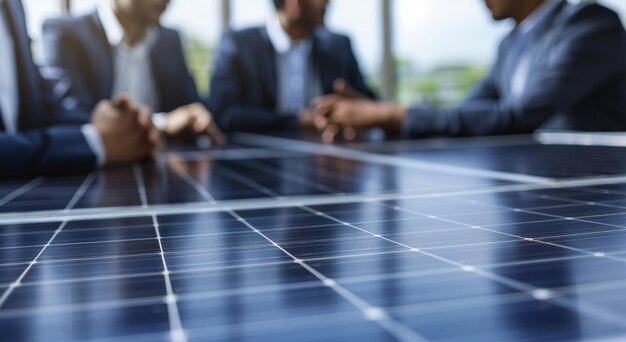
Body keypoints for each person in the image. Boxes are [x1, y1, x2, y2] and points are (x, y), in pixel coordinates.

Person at [314, 0, 626, 142]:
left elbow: (520, 115)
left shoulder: (591, 25)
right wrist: (374, 116)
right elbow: (466, 111)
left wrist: (389, 114)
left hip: (591, 187)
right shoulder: (509, 45)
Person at [0, 0, 158, 179]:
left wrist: (121, 123)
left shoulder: (12, 5)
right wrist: (92, 142)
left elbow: (36, 107)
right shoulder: (66, 31)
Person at [41, 0, 224, 143]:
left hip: (167, 169)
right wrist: (160, 125)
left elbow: (190, 106)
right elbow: (71, 116)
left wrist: (197, 119)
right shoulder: (65, 34)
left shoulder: (170, 40)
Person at [207, 0, 375, 133]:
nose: (327, 3)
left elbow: (370, 103)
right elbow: (223, 113)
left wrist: (357, 110)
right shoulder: (238, 44)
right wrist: (299, 121)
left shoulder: (339, 46)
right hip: (258, 165)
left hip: (332, 158)